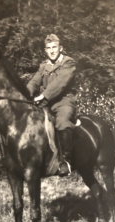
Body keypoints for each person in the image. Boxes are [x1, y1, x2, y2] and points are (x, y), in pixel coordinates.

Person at [27, 34, 77, 176]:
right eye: (49, 48)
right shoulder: (44, 66)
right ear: (45, 50)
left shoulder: (68, 62)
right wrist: (24, 94)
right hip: (46, 104)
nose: (52, 50)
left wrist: (43, 95)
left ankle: (66, 162)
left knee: (62, 122)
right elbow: (34, 82)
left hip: (64, 102)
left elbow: (60, 83)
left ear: (61, 48)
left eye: (54, 47)